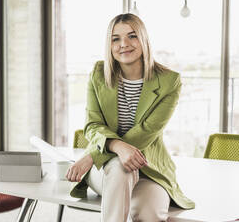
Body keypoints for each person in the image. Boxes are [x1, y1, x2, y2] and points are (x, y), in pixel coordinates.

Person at [66, 13, 195, 222]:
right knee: (119, 168)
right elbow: (92, 125)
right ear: (109, 45)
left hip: (149, 170)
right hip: (106, 168)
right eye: (115, 39)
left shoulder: (170, 81)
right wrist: (116, 148)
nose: (123, 44)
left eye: (132, 36)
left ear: (143, 39)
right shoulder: (98, 73)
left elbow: (147, 132)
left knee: (149, 214)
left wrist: (91, 156)